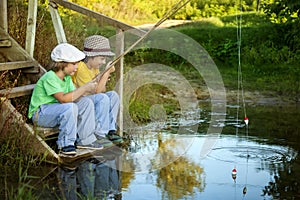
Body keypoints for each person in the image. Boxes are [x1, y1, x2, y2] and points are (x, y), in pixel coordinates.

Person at [28, 43, 104, 155]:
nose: (77, 67)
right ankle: (66, 144)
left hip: (57, 110)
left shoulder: (67, 78)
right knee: (69, 107)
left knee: (86, 102)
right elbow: (63, 99)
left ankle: (85, 140)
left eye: (77, 64)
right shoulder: (50, 77)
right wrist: (83, 88)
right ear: (61, 64)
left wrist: (87, 88)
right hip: (40, 114)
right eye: (74, 64)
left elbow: (73, 95)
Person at [72, 35, 122, 144]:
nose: (103, 62)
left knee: (113, 95)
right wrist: (106, 73)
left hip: (91, 98)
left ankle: (110, 130)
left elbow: (102, 89)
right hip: (81, 100)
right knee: (102, 98)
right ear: (91, 57)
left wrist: (103, 75)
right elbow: (97, 92)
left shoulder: (95, 68)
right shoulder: (81, 68)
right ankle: (100, 134)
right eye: (102, 58)